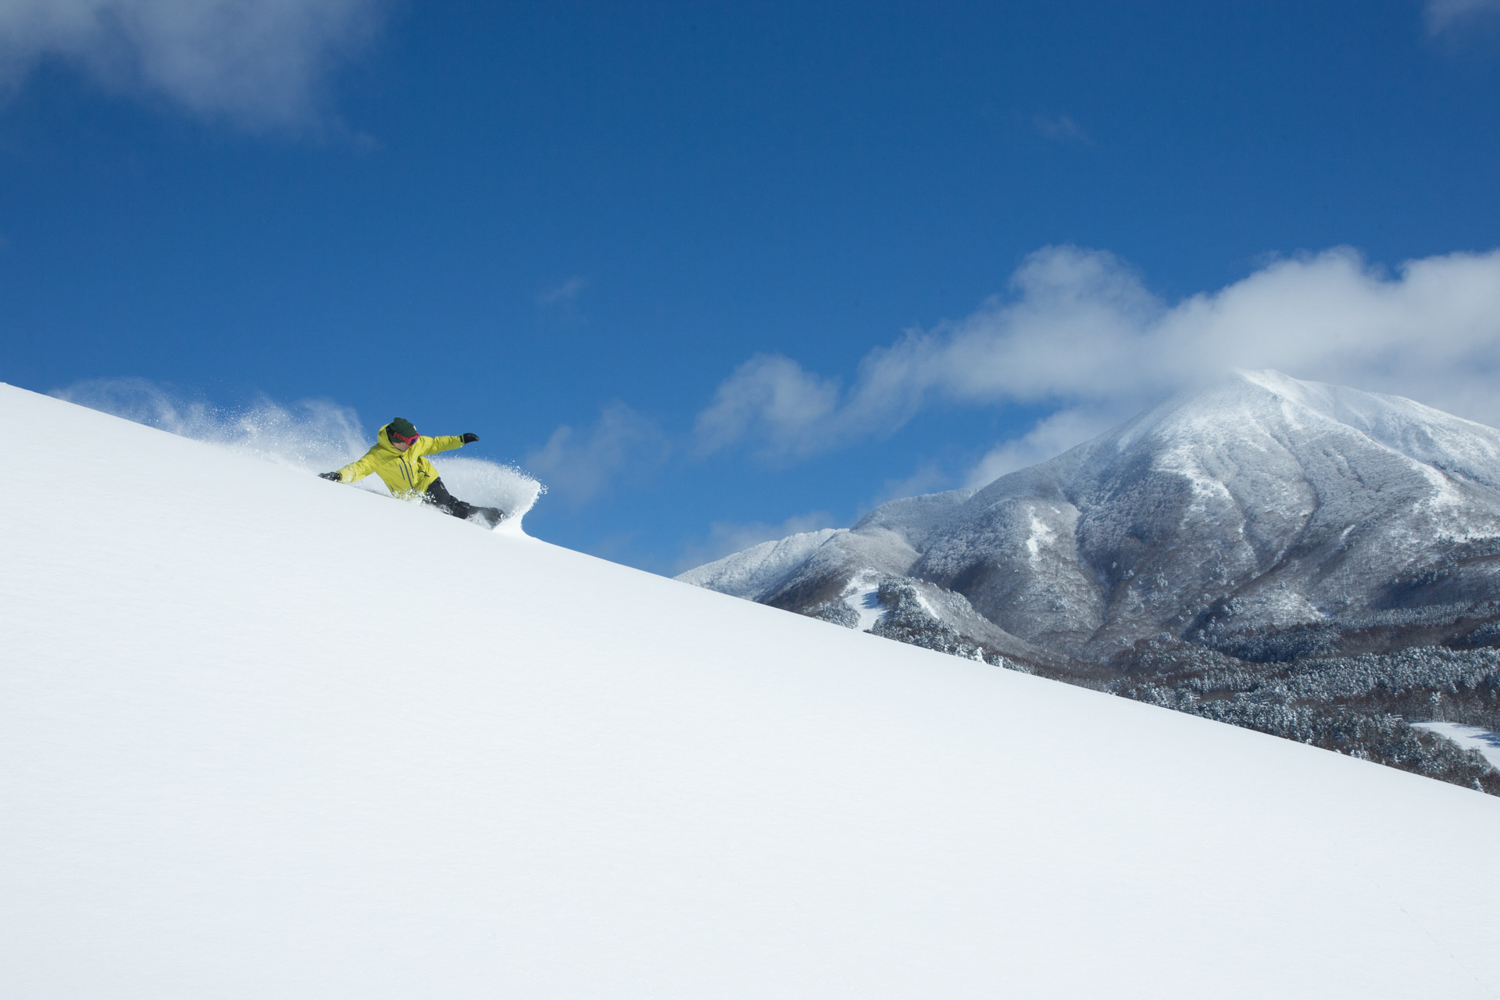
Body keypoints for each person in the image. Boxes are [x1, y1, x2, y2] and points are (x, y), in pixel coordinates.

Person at [319, 417, 506, 527]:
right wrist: (339, 476)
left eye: (415, 439)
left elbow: (436, 443)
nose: (413, 444)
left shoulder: (414, 446)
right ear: (396, 440)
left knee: (447, 506)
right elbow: (358, 468)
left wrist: (461, 439)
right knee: (438, 516)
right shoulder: (378, 456)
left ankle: (489, 516)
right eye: (410, 441)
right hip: (408, 496)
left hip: (427, 480)